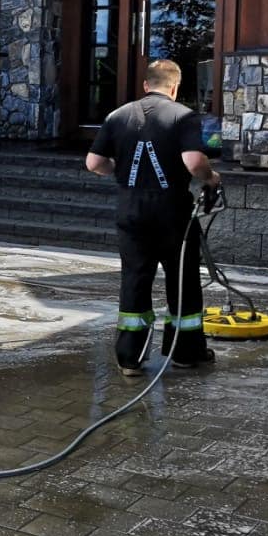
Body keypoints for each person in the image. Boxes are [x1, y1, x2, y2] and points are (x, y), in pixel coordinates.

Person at [84, 59, 220, 377]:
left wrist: (120, 172)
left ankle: (130, 359)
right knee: (182, 281)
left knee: (135, 280)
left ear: (146, 86)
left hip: (131, 213)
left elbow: (93, 162)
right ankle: (186, 354)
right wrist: (211, 178)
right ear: (174, 88)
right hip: (173, 214)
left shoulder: (117, 116)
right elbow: (194, 161)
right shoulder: (183, 115)